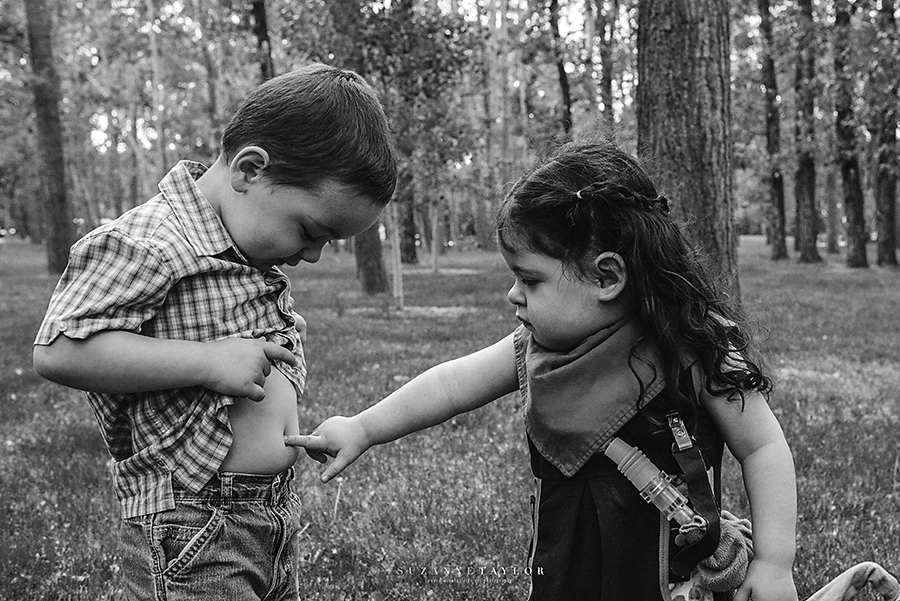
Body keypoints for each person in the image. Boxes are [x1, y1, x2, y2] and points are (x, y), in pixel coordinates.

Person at [285, 140, 798, 601]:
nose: (513, 295)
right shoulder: (534, 350)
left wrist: (774, 563)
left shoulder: (695, 345)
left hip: (669, 582)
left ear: (607, 277)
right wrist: (364, 427)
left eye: (530, 280)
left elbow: (763, 447)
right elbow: (450, 385)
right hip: (562, 575)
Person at [32, 63, 397, 601]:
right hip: (194, 521)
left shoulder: (246, 244)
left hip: (271, 511)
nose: (315, 255)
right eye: (311, 231)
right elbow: (58, 351)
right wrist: (207, 362)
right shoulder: (152, 241)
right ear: (250, 170)